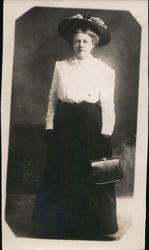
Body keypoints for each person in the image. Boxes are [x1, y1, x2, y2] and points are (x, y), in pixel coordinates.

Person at [32, 13, 118, 240]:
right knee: (62, 172)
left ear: (93, 44)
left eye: (85, 41)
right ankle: (61, 226)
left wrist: (105, 133)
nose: (81, 45)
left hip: (90, 125)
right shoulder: (60, 66)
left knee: (88, 175)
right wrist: (49, 126)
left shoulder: (105, 70)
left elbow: (108, 104)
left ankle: (91, 227)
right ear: (72, 43)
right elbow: (52, 99)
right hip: (64, 125)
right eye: (77, 41)